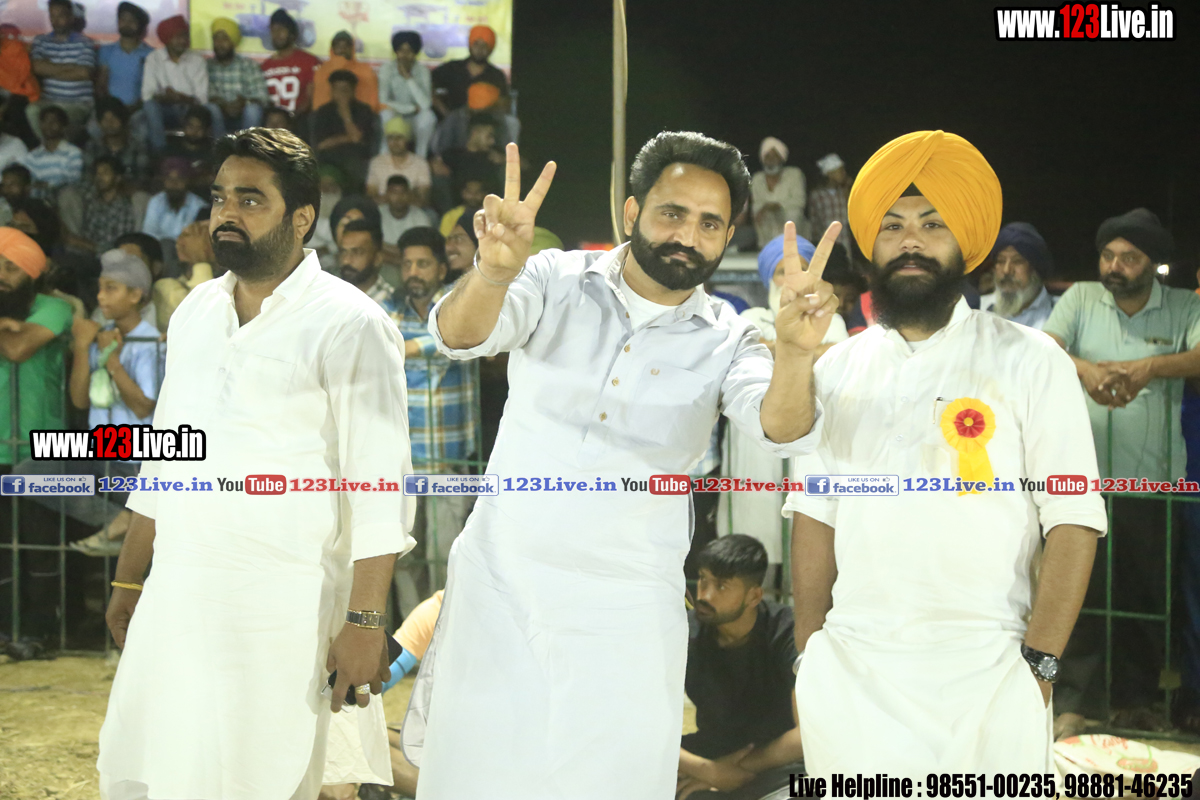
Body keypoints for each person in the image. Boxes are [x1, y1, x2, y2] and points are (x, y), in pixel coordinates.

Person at [408, 133, 832, 798]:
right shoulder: (554, 278)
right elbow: (460, 336)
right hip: (504, 586)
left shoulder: (731, 336)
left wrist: (797, 355)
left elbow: (780, 427)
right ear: (632, 212)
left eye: (710, 223)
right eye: (672, 213)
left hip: (628, 610)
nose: (687, 235)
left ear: (728, 237)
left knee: (609, 780)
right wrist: (491, 273)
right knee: (480, 773)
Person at [97, 127, 415, 799]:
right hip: (182, 593)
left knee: (271, 775)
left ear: (301, 218)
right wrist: (129, 576)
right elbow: (165, 456)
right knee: (165, 768)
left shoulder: (351, 323)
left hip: (286, 606)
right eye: (219, 198)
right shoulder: (196, 312)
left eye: (250, 199)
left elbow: (379, 490)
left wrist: (364, 622)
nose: (226, 214)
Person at [785, 130, 1106, 776]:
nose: (911, 241)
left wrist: (1040, 667)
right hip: (854, 672)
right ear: (870, 245)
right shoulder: (834, 368)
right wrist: (806, 660)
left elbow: (1073, 520)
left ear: (966, 244)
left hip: (992, 671)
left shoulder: (1032, 359)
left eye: (933, 225)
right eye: (893, 226)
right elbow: (815, 521)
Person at [1042, 207, 1200, 722]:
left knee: (1143, 596)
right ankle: (1076, 705)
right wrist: (1085, 370)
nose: (1115, 266)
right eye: (1108, 255)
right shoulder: (1082, 297)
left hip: (1151, 483)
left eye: (1129, 258)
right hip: (1080, 481)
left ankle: (1134, 704)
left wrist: (1151, 367)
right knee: (1079, 595)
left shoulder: (1182, 306)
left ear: (1152, 264)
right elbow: (1045, 348)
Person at [35, 248, 160, 558]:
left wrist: (113, 361)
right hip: (98, 447)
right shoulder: (102, 336)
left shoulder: (150, 342)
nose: (101, 297)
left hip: (134, 454)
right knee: (29, 473)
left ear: (136, 295)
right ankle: (118, 521)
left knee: (140, 554)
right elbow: (79, 400)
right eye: (100, 288)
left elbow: (143, 406)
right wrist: (82, 347)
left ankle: (124, 528)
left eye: (111, 288)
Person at [388, 226, 477, 617]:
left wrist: (406, 348)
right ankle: (414, 641)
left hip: (448, 461)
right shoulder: (390, 310)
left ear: (441, 269)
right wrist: (403, 348)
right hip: (403, 461)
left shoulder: (460, 303)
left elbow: (456, 335)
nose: (413, 272)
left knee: (447, 559)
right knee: (404, 559)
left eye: (423, 264)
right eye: (407, 264)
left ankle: (444, 639)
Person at [677, 536, 804, 800]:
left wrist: (734, 770)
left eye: (721, 586)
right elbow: (639, 725)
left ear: (754, 596)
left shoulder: (786, 631)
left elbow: (807, 734)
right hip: (713, 752)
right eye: (703, 580)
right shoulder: (684, 632)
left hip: (777, 756)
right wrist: (708, 770)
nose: (705, 595)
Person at [141, 16, 219, 153]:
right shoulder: (153, 58)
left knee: (213, 109)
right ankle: (160, 153)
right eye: (178, 37)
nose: (183, 41)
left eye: (185, 36)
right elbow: (147, 95)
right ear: (167, 39)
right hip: (165, 111)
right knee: (148, 109)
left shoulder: (197, 60)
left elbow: (202, 97)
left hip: (191, 110)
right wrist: (165, 97)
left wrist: (181, 98)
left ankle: (219, 152)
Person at [26, 0, 95, 142]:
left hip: (78, 104)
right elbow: (38, 68)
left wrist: (50, 67)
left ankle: (55, 149)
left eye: (61, 16)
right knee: (31, 110)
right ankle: (49, 147)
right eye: (53, 16)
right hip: (49, 101)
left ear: (71, 17)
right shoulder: (41, 41)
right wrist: (71, 67)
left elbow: (84, 73)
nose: (56, 21)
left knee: (56, 121)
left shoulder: (85, 42)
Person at [980, 222, 1057, 329]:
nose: (1007, 270)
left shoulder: (1061, 314)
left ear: (1035, 269)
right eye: (1001, 261)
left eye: (1017, 261)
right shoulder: (978, 307)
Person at [95, 2, 152, 138]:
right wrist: (111, 109)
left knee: (142, 131)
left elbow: (151, 88)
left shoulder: (151, 54)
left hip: (138, 109)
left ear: (140, 26)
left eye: (132, 21)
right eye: (123, 19)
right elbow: (101, 85)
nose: (127, 24)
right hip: (110, 109)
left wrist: (133, 108)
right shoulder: (106, 51)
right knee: (93, 129)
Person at [313, 70, 376, 194]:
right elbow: (321, 145)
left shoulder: (363, 110)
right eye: (337, 89)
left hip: (355, 160)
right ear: (331, 90)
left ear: (353, 91)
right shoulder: (323, 112)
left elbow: (358, 139)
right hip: (329, 161)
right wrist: (348, 138)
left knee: (355, 170)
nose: (341, 93)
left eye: (345, 90)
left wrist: (346, 114)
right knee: (325, 183)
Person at [207, 17, 270, 136]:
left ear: (233, 42)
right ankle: (220, 146)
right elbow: (204, 96)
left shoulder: (248, 65)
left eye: (225, 39)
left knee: (253, 110)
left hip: (244, 115)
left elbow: (262, 97)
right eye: (216, 39)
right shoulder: (206, 67)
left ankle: (247, 146)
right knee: (211, 109)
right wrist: (223, 105)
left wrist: (244, 102)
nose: (220, 44)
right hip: (218, 116)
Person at [379, 31, 436, 158]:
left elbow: (426, 105)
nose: (404, 55)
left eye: (409, 51)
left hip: (414, 120)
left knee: (428, 117)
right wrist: (411, 108)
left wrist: (409, 78)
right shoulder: (386, 69)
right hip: (395, 116)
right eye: (401, 50)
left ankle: (421, 159)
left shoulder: (423, 71)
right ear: (396, 51)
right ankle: (384, 156)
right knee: (385, 114)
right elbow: (383, 101)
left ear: (415, 53)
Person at [64, 155, 137, 255]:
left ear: (117, 178)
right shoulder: (91, 198)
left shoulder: (123, 207)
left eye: (105, 173)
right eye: (97, 173)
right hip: (85, 252)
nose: (99, 177)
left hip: (107, 257)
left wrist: (83, 244)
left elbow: (118, 248)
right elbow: (68, 191)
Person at [431, 25, 509, 118]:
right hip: (454, 119)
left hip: (484, 121)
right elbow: (428, 84)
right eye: (476, 44)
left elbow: (503, 103)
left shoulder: (496, 75)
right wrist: (445, 112)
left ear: (491, 49)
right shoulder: (453, 68)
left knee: (511, 123)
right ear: (470, 45)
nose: (480, 49)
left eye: (484, 45)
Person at [261, 9, 322, 117]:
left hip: (301, 120)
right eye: (273, 30)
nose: (277, 34)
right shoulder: (265, 66)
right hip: (272, 122)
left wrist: (292, 117)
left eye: (281, 29)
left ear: (292, 33)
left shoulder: (310, 61)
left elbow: (311, 98)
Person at [83, 97, 151, 191]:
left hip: (129, 194)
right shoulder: (92, 146)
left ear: (123, 121)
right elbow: (87, 177)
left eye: (114, 118)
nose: (109, 123)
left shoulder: (138, 146)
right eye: (105, 119)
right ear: (99, 123)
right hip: (97, 194)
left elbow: (142, 179)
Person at [750, 136, 807, 247]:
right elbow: (756, 204)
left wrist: (777, 206)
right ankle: (766, 249)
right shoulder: (757, 179)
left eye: (775, 156)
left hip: (790, 224)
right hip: (767, 227)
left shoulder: (794, 174)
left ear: (781, 158)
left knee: (793, 214)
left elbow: (799, 201)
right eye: (767, 156)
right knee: (760, 214)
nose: (771, 160)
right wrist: (766, 208)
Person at [366, 116, 432, 206]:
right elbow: (371, 195)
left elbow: (423, 198)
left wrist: (396, 197)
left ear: (407, 140)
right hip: (382, 207)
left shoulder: (420, 163)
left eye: (399, 137)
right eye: (391, 138)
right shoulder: (376, 162)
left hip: (412, 208)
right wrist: (398, 197)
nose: (395, 142)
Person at [20, 104, 82, 199]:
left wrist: (47, 185)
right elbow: (30, 184)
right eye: (45, 121)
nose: (49, 125)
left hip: (64, 200)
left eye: (54, 122)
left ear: (63, 127)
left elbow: (73, 181)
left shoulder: (73, 152)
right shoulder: (32, 156)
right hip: (38, 201)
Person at [379, 175, 433, 279]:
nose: (399, 197)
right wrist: (399, 257)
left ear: (409, 194)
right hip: (384, 266)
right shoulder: (377, 215)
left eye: (403, 192)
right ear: (386, 194)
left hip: (413, 266)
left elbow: (424, 249)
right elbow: (373, 248)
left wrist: (385, 247)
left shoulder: (421, 217)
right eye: (394, 192)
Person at [312, 31, 380, 114]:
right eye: (338, 46)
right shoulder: (322, 71)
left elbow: (371, 103)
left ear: (352, 49)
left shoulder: (366, 71)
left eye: (346, 46)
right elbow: (318, 104)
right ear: (332, 49)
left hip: (360, 115)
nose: (342, 49)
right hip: (327, 116)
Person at [141, 158, 205, 242]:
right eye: (169, 179)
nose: (174, 184)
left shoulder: (199, 205)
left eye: (179, 179)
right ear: (164, 181)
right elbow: (148, 233)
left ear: (187, 181)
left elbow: (198, 239)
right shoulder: (156, 201)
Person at [338, 216, 393, 306]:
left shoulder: (392, 304)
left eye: (357, 252)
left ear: (377, 258)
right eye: (343, 252)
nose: (346, 260)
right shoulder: (330, 294)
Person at [807, 152, 852, 255]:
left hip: (844, 244)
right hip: (825, 246)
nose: (844, 173)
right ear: (830, 174)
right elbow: (814, 223)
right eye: (840, 171)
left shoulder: (843, 193)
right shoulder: (817, 195)